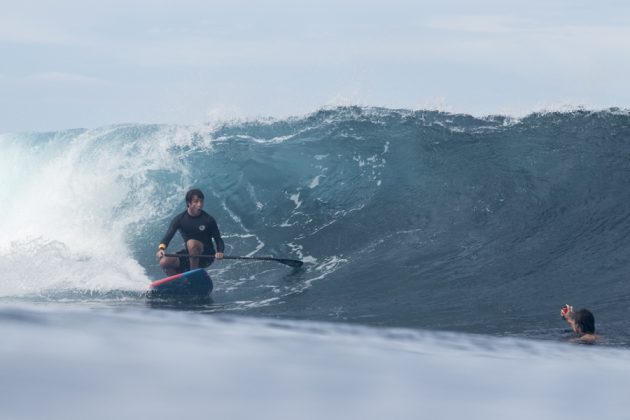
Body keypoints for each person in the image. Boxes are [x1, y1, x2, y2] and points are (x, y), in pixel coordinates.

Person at [156, 188, 224, 276]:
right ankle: (181, 283)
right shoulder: (179, 219)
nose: (199, 204)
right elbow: (167, 237)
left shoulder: (208, 220)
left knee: (192, 243)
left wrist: (220, 251)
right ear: (188, 203)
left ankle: (193, 275)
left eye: (201, 201)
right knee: (164, 262)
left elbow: (218, 239)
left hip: (206, 256)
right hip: (189, 256)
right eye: (196, 202)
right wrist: (161, 249)